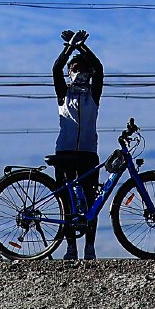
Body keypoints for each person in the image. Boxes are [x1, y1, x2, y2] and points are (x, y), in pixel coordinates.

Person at [50, 29, 104, 260]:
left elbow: (100, 68)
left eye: (82, 69)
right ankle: (70, 247)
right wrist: (70, 47)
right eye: (74, 69)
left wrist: (82, 47)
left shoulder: (93, 94)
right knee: (66, 203)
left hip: (88, 154)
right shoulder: (64, 93)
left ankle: (89, 247)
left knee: (92, 203)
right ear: (68, 73)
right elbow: (55, 69)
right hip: (65, 153)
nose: (78, 72)